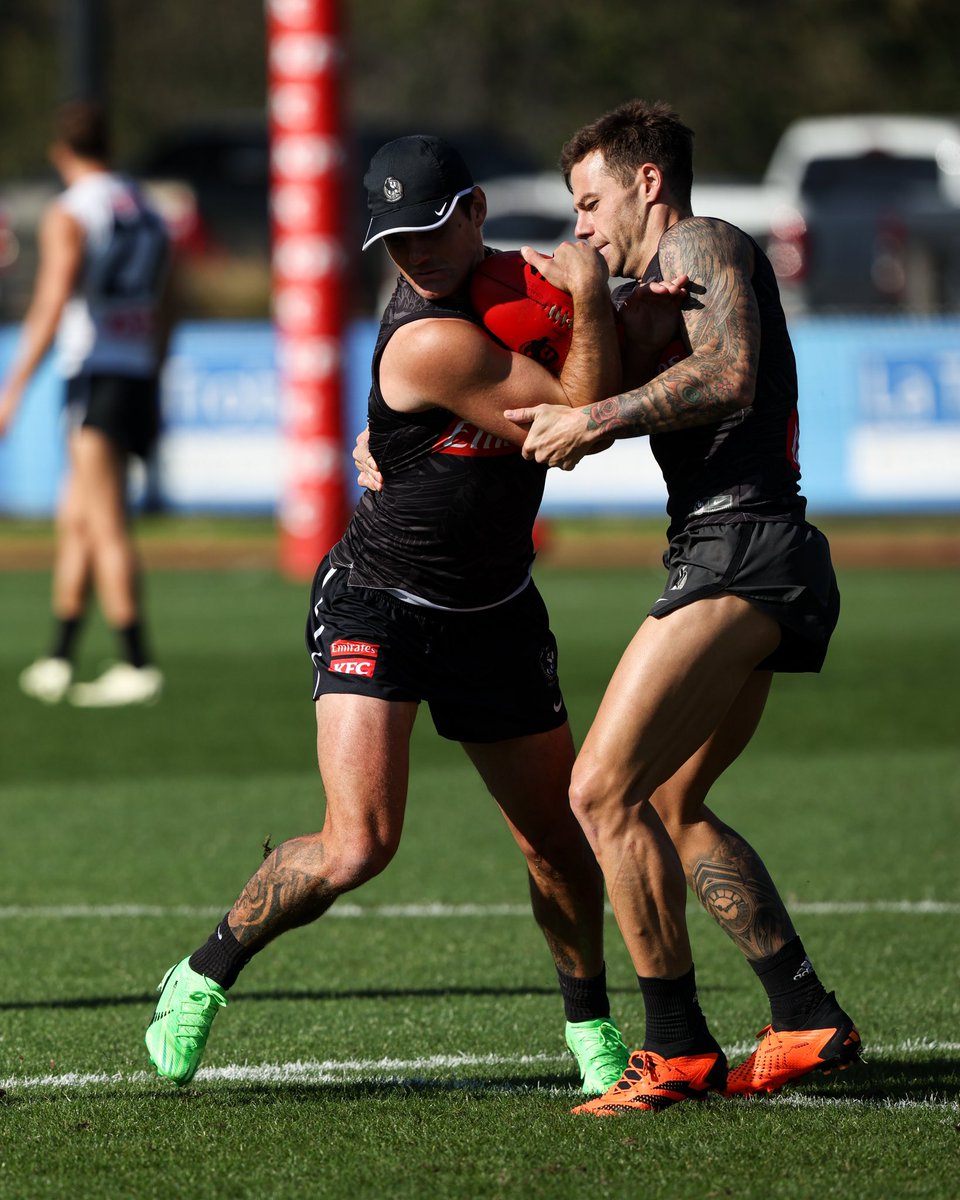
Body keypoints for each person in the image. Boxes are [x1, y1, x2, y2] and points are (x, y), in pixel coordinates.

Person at [143, 133, 671, 1094]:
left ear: (474, 212)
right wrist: (595, 305)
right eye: (393, 242)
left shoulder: (517, 283)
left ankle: (591, 1032)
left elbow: (604, 330)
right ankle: (201, 975)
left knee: (555, 840)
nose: (414, 258)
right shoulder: (428, 338)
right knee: (358, 844)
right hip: (378, 600)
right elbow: (575, 428)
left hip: (496, 606)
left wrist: (630, 304)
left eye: (430, 231)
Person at [504, 100, 861, 1115]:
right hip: (752, 552)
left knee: (597, 790)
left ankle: (673, 1051)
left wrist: (598, 413)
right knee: (670, 803)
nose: (583, 226)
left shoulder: (706, 242)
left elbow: (734, 374)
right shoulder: (660, 290)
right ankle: (806, 1017)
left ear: (646, 183)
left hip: (741, 549)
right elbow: (590, 388)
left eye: (590, 201)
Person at [0, 100, 170, 707]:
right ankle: (59, 657)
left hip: (95, 370)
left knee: (103, 521)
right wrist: (155, 365)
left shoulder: (70, 211)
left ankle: (136, 661)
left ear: (60, 151)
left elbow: (51, 301)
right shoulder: (145, 204)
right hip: (132, 368)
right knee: (77, 515)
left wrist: (15, 384)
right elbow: (168, 298)